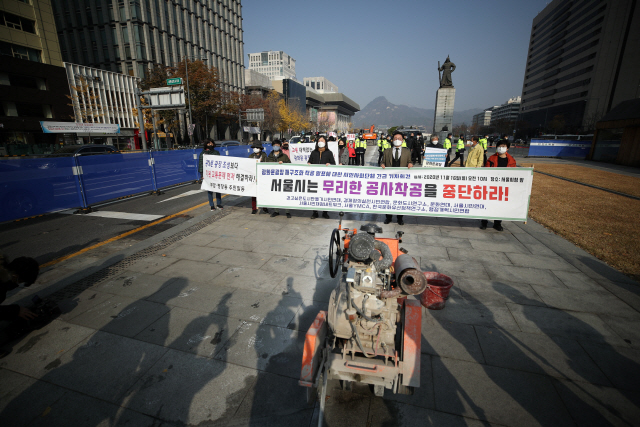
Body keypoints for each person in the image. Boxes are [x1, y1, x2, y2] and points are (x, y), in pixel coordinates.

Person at [481, 139, 517, 231]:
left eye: (503, 146)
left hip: (504, 186)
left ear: (507, 148)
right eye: (500, 146)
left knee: (500, 205)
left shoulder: (512, 161)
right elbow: (486, 171)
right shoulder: (492, 159)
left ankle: (497, 223)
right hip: (492, 185)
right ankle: (484, 222)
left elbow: (514, 174)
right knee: (488, 203)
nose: (501, 148)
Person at [381, 130, 413, 225]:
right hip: (389, 180)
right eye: (395, 138)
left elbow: (410, 161)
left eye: (399, 139)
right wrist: (382, 164)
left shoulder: (407, 152)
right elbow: (382, 161)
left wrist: (410, 164)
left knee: (400, 199)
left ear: (402, 141)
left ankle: (400, 218)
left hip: (401, 180)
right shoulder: (387, 151)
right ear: (392, 140)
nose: (397, 140)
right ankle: (388, 217)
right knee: (389, 199)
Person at [1, 255, 39, 321]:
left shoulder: (4, 271)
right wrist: (15, 311)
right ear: (15, 276)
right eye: (21, 281)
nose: (19, 284)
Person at [308, 135, 335, 219]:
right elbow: (309, 161)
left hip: (325, 178)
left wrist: (330, 165)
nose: (321, 142)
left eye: (322, 140)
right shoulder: (313, 152)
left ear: (325, 142)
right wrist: (309, 164)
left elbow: (334, 163)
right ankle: (315, 212)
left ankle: (325, 212)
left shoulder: (329, 152)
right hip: (315, 177)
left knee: (324, 195)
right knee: (315, 195)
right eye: (319, 140)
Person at [266, 140, 292, 219]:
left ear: (280, 146)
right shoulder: (269, 157)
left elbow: (290, 165)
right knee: (275, 195)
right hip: (273, 179)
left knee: (285, 194)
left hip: (283, 179)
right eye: (274, 145)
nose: (275, 146)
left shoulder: (284, 156)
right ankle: (276, 210)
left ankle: (287, 211)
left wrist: (283, 163)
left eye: (277, 145)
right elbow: (265, 167)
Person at [198, 139, 223, 211]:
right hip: (207, 174)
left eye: (211, 143)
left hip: (216, 173)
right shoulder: (202, 154)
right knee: (209, 190)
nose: (210, 145)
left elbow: (220, 163)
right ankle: (212, 205)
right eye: (208, 143)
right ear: (206, 144)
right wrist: (202, 174)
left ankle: (219, 203)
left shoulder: (216, 152)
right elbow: (201, 164)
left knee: (218, 189)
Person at [249, 141, 268, 215]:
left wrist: (262, 161)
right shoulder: (251, 156)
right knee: (254, 194)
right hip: (254, 176)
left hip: (262, 177)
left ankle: (265, 208)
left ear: (260, 148)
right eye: (254, 148)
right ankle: (254, 208)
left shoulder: (264, 155)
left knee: (263, 193)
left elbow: (267, 164)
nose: (255, 149)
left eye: (257, 147)